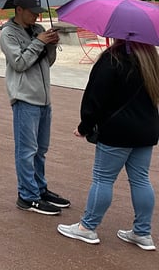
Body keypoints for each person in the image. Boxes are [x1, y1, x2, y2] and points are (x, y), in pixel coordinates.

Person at [56, 39, 159, 250]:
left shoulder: (112, 59)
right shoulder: (151, 59)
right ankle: (142, 232)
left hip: (117, 130)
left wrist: (85, 126)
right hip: (146, 129)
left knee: (103, 178)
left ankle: (87, 227)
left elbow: (95, 96)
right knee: (140, 179)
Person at [0, 0, 71, 215]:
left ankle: (40, 189)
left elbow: (47, 62)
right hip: (25, 98)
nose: (37, 16)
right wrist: (39, 41)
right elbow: (19, 64)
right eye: (32, 12)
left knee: (41, 149)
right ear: (19, 9)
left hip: (44, 97)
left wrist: (50, 45)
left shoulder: (36, 28)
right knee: (27, 150)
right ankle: (27, 196)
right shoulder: (8, 33)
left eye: (38, 12)